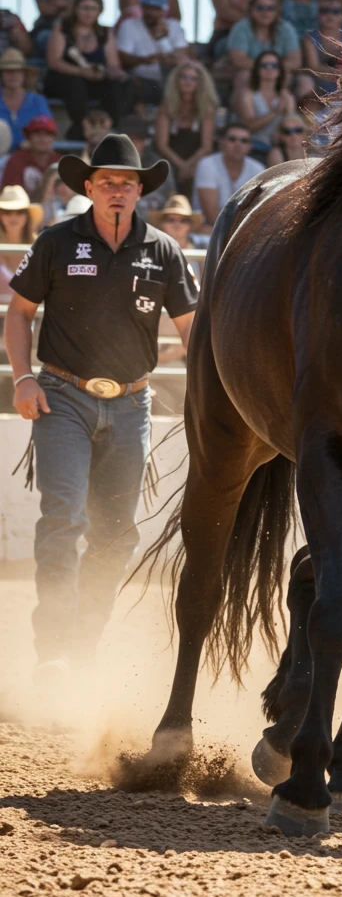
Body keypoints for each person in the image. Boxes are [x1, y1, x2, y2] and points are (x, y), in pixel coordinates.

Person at [6, 134, 198, 683]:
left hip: (133, 403)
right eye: (107, 182)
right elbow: (18, 313)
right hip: (61, 396)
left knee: (116, 536)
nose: (118, 190)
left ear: (141, 192)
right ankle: (52, 651)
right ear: (88, 188)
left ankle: (82, 647)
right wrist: (23, 379)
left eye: (128, 183)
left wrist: (211, 396)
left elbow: (193, 332)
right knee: (64, 518)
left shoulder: (163, 250)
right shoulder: (58, 241)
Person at [43, 0, 130, 140]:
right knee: (75, 84)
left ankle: (111, 128)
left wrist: (103, 72)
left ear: (99, 11)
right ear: (75, 8)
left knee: (116, 86)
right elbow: (54, 61)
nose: (89, 12)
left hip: (93, 80)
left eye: (93, 8)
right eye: (84, 7)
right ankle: (82, 128)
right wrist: (81, 71)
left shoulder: (105, 32)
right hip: (64, 79)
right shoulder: (62, 28)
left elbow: (114, 65)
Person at [152, 61, 217, 198]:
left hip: (196, 158)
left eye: (194, 78)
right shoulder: (166, 107)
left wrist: (189, 166)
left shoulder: (206, 108)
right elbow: (162, 145)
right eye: (184, 77)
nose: (188, 81)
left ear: (200, 83)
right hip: (170, 158)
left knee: (202, 170)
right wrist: (182, 166)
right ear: (176, 80)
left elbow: (207, 147)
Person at [116, 0, 189, 107]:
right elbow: (123, 57)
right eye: (147, 7)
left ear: (164, 10)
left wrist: (162, 40)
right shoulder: (129, 25)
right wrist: (145, 60)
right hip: (141, 80)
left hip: (171, 81)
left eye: (156, 9)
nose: (151, 12)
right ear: (141, 7)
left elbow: (181, 60)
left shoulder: (174, 26)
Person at [227, 0, 300, 94]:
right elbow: (238, 59)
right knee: (243, 76)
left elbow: (295, 61)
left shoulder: (286, 29)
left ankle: (283, 109)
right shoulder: (241, 28)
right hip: (251, 73)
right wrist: (266, 69)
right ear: (250, 9)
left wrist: (271, 69)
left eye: (271, 8)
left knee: (290, 77)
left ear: (277, 10)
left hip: (277, 73)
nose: (266, 12)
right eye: (260, 7)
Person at [193, 122, 264, 228]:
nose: (238, 145)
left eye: (244, 141)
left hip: (243, 230)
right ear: (221, 143)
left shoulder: (258, 168)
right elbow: (211, 214)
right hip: (207, 227)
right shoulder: (207, 164)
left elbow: (259, 210)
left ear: (250, 146)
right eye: (232, 139)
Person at [234, 51, 298, 161]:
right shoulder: (248, 95)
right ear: (257, 69)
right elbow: (250, 126)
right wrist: (275, 112)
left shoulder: (286, 95)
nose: (269, 68)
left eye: (274, 65)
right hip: (254, 147)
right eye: (264, 65)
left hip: (280, 147)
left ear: (280, 70)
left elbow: (290, 124)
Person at [0, 48, 53, 148]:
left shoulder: (37, 101)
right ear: (1, 75)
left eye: (18, 71)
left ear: (24, 75)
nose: (13, 75)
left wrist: (32, 144)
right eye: (8, 71)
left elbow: (48, 130)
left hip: (30, 154)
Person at [1, 116, 62, 197]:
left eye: (47, 134)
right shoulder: (16, 160)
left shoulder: (60, 161)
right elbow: (10, 195)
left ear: (54, 138)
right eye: (37, 134)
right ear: (29, 137)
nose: (42, 138)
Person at [0, 184, 42, 300]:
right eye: (7, 212)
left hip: (30, 317)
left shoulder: (39, 247)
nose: (14, 217)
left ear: (27, 216)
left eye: (20, 212)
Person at [302, 0, 342, 100]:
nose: (330, 15)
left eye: (335, 11)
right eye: (325, 11)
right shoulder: (310, 38)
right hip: (319, 84)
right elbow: (314, 67)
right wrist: (338, 75)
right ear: (318, 15)